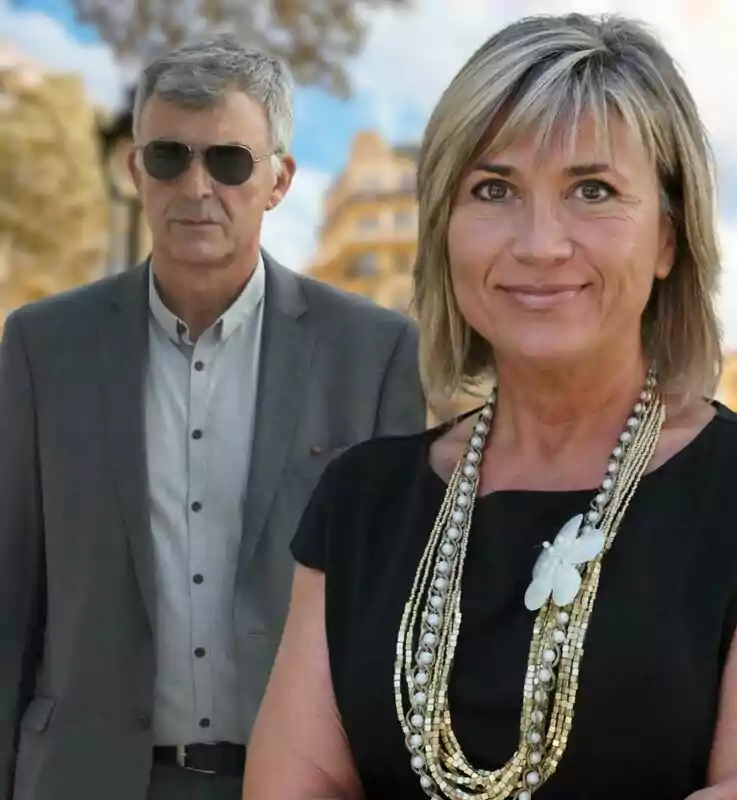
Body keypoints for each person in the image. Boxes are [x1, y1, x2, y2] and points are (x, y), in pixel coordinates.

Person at [245, 13, 737, 800]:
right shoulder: (358, 502)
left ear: (667, 237)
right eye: (494, 190)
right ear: (444, 231)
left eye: (593, 190)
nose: (542, 243)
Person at [0, 37, 427, 800]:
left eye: (229, 161)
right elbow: (11, 591)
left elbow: (395, 611)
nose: (196, 186)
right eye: (168, 156)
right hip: (79, 778)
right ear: (136, 172)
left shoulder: (376, 353)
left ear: (278, 179)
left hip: (296, 783)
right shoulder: (42, 346)